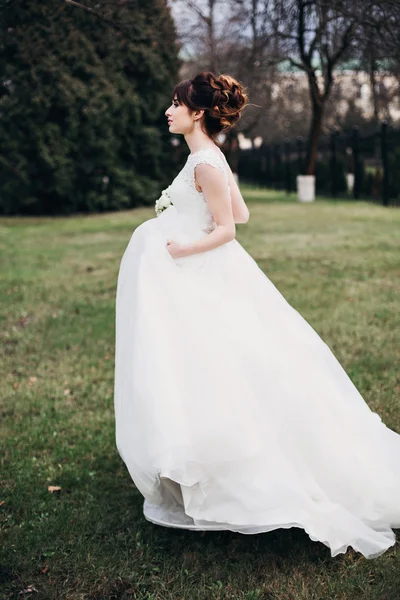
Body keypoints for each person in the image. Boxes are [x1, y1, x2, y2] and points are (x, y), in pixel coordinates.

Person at [114, 71, 400, 560]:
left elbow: (229, 229)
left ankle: (234, 473)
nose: (169, 110)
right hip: (199, 275)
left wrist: (184, 244)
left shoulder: (205, 161)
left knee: (223, 368)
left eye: (176, 103)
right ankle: (201, 468)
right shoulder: (207, 160)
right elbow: (242, 211)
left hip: (199, 271)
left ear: (197, 112)